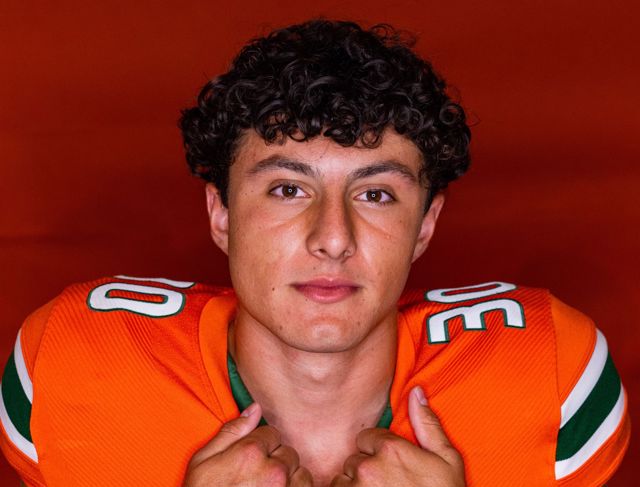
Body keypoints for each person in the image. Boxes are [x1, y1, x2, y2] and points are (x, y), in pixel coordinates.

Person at [0, 19, 629, 487]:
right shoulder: (73, 368)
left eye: (375, 194)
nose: (332, 237)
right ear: (221, 214)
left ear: (426, 225)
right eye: (287, 189)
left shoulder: (553, 380)